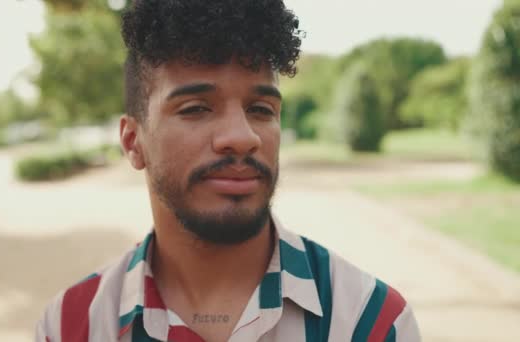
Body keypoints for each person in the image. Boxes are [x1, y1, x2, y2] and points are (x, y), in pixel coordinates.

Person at [36, 0, 421, 341]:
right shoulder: (71, 327)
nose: (243, 137)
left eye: (261, 109)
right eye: (196, 108)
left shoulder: (370, 322)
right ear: (133, 142)